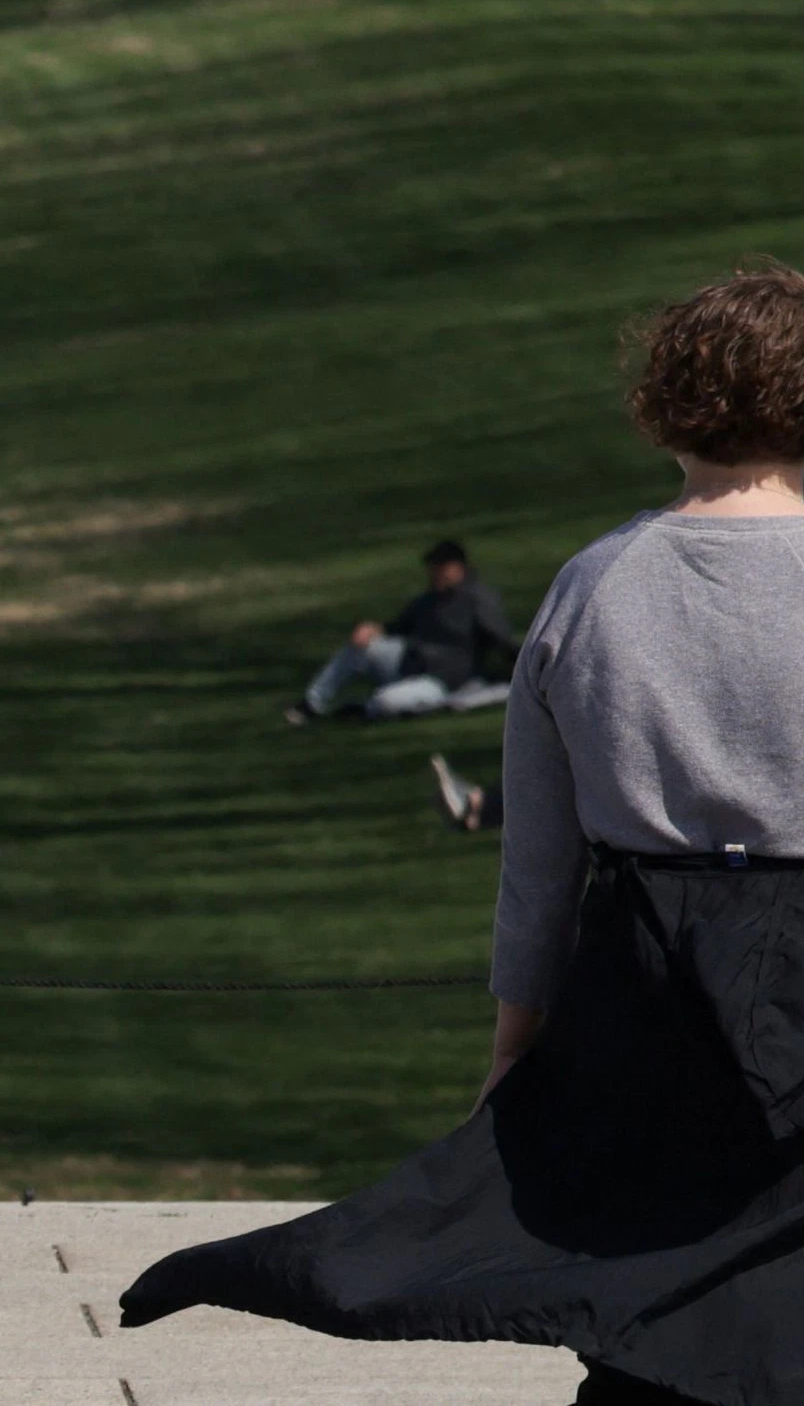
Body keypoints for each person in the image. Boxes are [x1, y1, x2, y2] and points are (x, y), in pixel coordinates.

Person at [128, 260, 804, 1400]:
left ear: (668, 401)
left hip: (645, 985)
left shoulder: (595, 587)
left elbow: (538, 864)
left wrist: (512, 1048)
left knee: (641, 1297)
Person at [288, 539, 519, 723]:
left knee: (386, 701)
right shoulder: (429, 599)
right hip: (408, 660)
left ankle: (362, 709)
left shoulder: (477, 599)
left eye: (439, 567)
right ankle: (312, 703)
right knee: (361, 646)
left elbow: (500, 637)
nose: (434, 573)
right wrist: (374, 629)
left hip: (442, 679)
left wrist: (516, 668)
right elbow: (399, 626)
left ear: (457, 567)